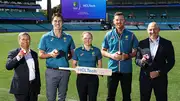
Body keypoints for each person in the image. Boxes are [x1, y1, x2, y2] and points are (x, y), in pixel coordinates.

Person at [101, 12, 139, 101]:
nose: (119, 22)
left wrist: (127, 56)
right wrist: (111, 55)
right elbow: (103, 51)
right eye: (117, 20)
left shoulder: (131, 35)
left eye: (121, 20)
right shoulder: (108, 35)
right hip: (112, 69)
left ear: (124, 21)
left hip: (126, 70)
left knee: (126, 96)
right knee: (110, 96)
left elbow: (136, 51)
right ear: (114, 21)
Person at [38, 13, 75, 101]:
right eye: (55, 21)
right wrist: (50, 54)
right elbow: (40, 55)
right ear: (52, 22)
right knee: (51, 98)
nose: (57, 23)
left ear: (62, 23)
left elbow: (73, 54)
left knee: (62, 97)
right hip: (51, 71)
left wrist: (66, 58)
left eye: (59, 21)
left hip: (65, 71)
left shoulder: (68, 37)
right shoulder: (45, 37)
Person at [135, 22, 175, 101]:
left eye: (154, 29)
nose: (152, 31)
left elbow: (171, 62)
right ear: (147, 30)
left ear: (159, 30)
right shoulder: (142, 43)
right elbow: (136, 60)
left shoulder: (167, 43)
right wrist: (141, 61)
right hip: (145, 78)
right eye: (150, 29)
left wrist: (158, 72)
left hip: (161, 79)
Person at [6, 32, 41, 101]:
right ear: (19, 41)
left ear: (30, 41)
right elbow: (8, 66)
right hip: (21, 88)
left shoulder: (34, 54)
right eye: (23, 39)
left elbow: (37, 70)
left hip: (33, 88)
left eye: (27, 39)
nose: (25, 41)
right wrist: (18, 56)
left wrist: (38, 86)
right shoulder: (14, 53)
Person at [72, 31, 102, 101]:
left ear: (92, 39)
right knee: (82, 98)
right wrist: (76, 70)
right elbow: (74, 64)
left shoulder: (96, 50)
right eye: (85, 38)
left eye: (89, 38)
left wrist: (99, 71)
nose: (87, 40)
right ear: (82, 39)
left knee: (93, 98)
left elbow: (99, 64)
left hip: (93, 78)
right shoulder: (78, 50)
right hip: (81, 78)